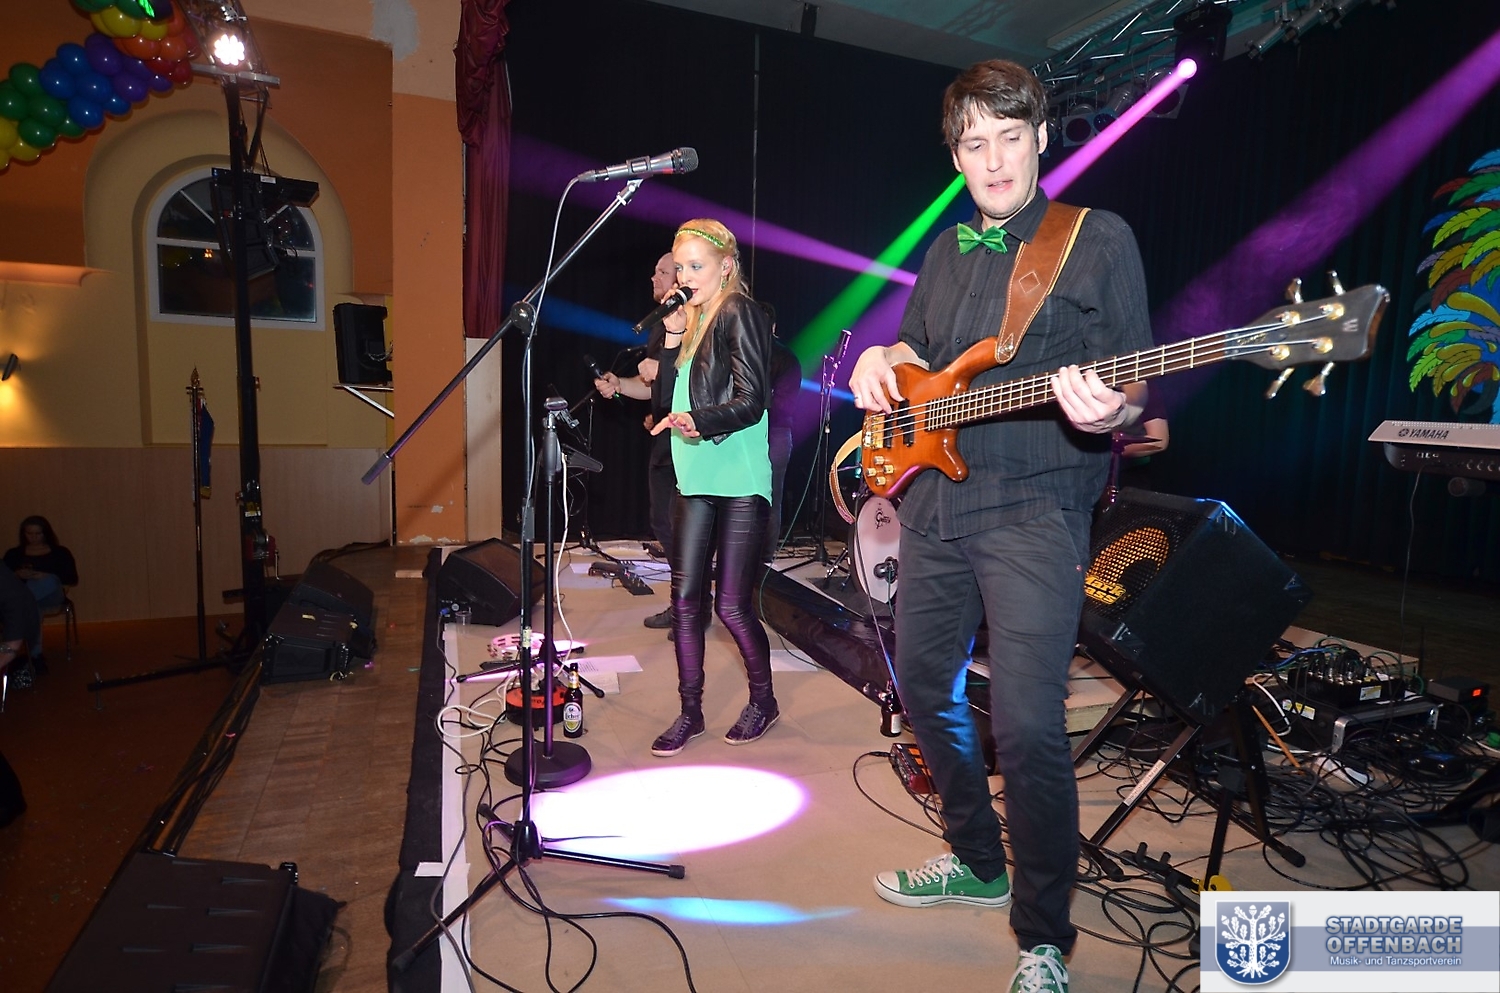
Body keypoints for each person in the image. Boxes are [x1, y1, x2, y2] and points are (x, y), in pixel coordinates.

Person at [847, 59, 1152, 993]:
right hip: (934, 504)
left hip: (1034, 506)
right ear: (955, 155)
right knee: (922, 685)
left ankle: (1044, 934)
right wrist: (881, 354)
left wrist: (1114, 408)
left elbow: (1135, 378)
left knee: (1026, 726)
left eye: (1008, 138)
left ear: (1040, 138)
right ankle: (979, 859)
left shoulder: (1096, 239)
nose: (992, 160)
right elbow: (920, 353)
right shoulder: (945, 250)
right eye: (974, 143)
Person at [646, 218, 778, 756]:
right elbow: (662, 406)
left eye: (695, 266)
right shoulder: (691, 322)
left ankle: (763, 701)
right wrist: (673, 336)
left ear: (726, 266)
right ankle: (690, 712)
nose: (685, 277)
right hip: (694, 474)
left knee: (731, 605)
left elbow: (753, 399)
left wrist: (699, 421)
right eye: (680, 267)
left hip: (738, 475)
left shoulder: (739, 311)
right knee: (684, 601)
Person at [593, 253, 712, 637]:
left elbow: (703, 378)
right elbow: (651, 388)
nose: (653, 277)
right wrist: (620, 385)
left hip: (690, 438)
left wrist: (662, 368)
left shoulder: (698, 320)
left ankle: (694, 608)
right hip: (665, 436)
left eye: (662, 271)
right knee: (663, 523)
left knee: (686, 528)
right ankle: (685, 603)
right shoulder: (662, 325)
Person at [3, 516, 78, 671]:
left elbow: (71, 578)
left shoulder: (60, 552)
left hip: (53, 595)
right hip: (28, 598)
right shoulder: (14, 554)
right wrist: (17, 575)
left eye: (38, 534)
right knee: (32, 606)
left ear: (45, 533)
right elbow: (4, 580)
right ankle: (35, 656)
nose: (34, 537)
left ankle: (14, 649)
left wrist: (45, 575)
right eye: (30, 534)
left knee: (47, 580)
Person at [762, 303, 801, 562]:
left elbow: (783, 405)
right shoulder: (788, 358)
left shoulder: (783, 358)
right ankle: (761, 559)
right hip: (773, 432)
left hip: (772, 433)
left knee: (768, 498)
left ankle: (762, 559)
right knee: (770, 499)